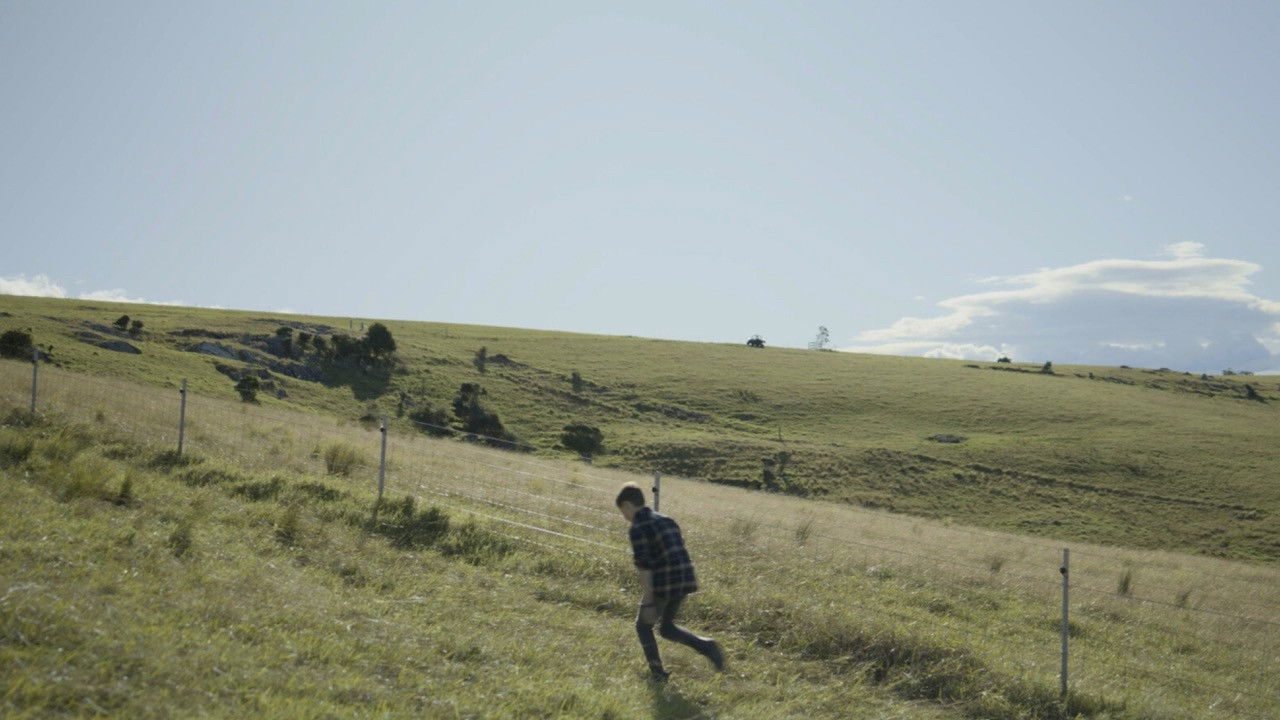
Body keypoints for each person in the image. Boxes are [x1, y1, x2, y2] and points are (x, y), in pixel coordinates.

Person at [615, 482, 724, 682]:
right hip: (685, 578)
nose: (624, 517)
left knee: (643, 626)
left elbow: (645, 567)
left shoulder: (638, 527)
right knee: (666, 628)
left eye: (623, 512)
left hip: (664, 582)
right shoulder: (666, 519)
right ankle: (707, 646)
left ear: (627, 505)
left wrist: (648, 601)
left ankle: (658, 673)